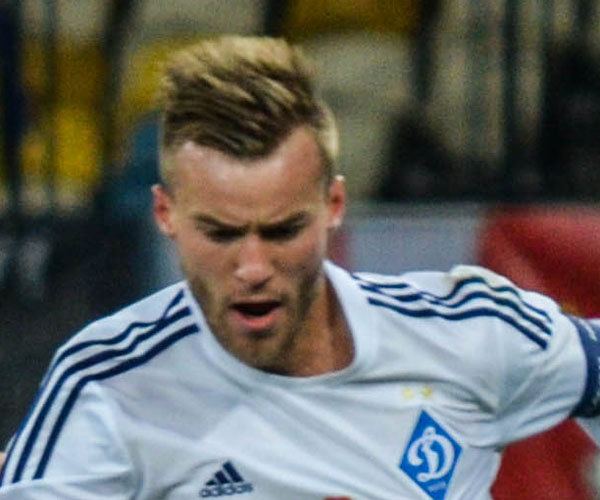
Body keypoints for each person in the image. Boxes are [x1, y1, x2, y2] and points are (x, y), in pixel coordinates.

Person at [0, 35, 599, 500]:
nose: (253, 267)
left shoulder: (467, 332)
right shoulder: (106, 383)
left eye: (282, 230)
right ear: (166, 215)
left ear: (332, 206)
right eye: (221, 233)